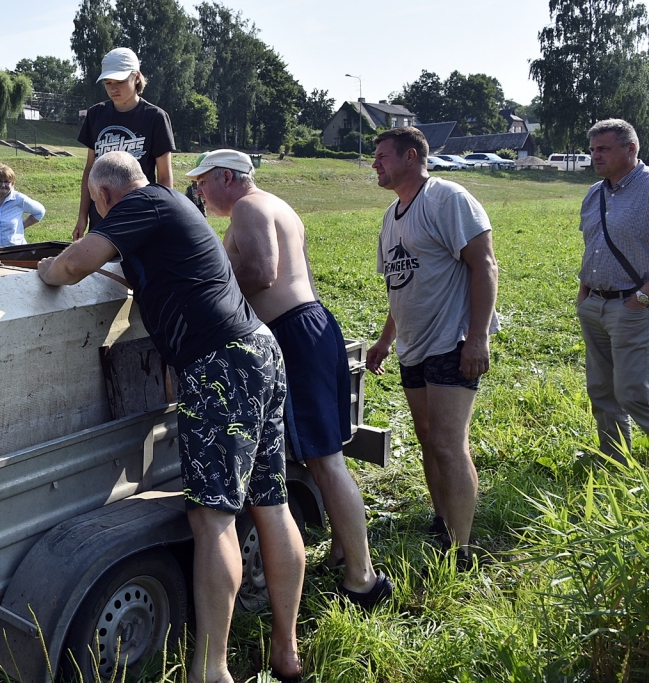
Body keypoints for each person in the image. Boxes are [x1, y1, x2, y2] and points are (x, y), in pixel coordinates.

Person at [39, 151, 304, 683]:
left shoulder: (142, 204)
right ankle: (286, 650)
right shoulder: (172, 208)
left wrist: (44, 269)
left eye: (97, 207)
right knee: (270, 503)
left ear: (107, 196)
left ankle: (210, 670)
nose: (100, 214)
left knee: (213, 519)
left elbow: (70, 266)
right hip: (258, 352)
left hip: (219, 365)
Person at [188, 149, 393, 607]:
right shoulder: (279, 206)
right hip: (313, 325)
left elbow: (263, 271)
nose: (199, 191)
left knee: (324, 461)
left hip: (294, 334)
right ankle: (344, 550)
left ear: (227, 176)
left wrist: (206, 296)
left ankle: (363, 580)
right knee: (328, 453)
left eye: (203, 181)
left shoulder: (249, 206)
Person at [365, 127, 499, 565]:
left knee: (447, 442)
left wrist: (476, 338)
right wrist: (387, 338)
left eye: (382, 156)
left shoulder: (446, 198)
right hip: (414, 347)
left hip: (452, 341)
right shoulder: (391, 216)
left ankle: (461, 549)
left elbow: (484, 265)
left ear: (410, 156)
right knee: (426, 439)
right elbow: (398, 284)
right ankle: (440, 520)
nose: (375, 164)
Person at [575, 118, 649, 463]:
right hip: (595, 304)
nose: (595, 156)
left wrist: (642, 299)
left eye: (603, 149)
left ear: (631, 149)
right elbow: (593, 245)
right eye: (593, 150)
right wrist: (583, 294)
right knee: (602, 390)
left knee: (632, 390)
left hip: (633, 306)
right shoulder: (595, 193)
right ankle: (616, 461)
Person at [72, 47, 175, 241]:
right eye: (108, 83)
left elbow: (164, 176)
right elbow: (89, 171)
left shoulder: (155, 117)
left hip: (140, 218)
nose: (113, 88)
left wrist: (163, 220)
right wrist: (82, 216)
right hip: (101, 219)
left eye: (120, 81)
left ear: (136, 77)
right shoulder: (95, 115)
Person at [0, 164, 46, 249]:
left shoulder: (20, 199)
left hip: (15, 250)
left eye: (7, 182)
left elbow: (40, 211)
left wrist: (22, 226)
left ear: (12, 184)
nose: (3, 185)